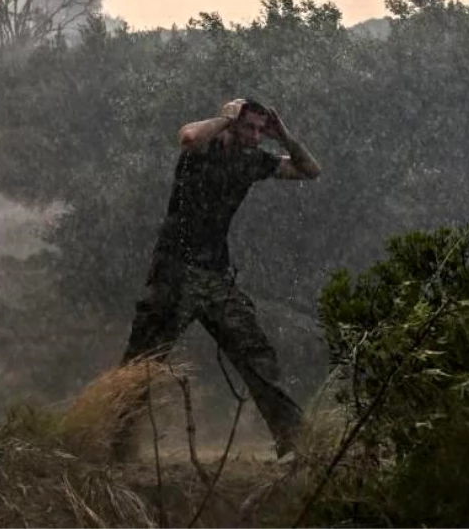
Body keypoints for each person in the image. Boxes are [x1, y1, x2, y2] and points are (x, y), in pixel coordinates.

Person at [116, 98, 321, 459]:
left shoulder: (253, 161)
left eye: (261, 129)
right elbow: (188, 137)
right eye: (250, 127)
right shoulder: (203, 149)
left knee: (255, 353)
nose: (257, 136)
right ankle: (117, 444)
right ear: (232, 123)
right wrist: (225, 119)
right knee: (145, 361)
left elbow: (309, 170)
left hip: (215, 276)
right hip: (175, 272)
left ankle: (293, 438)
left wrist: (285, 135)